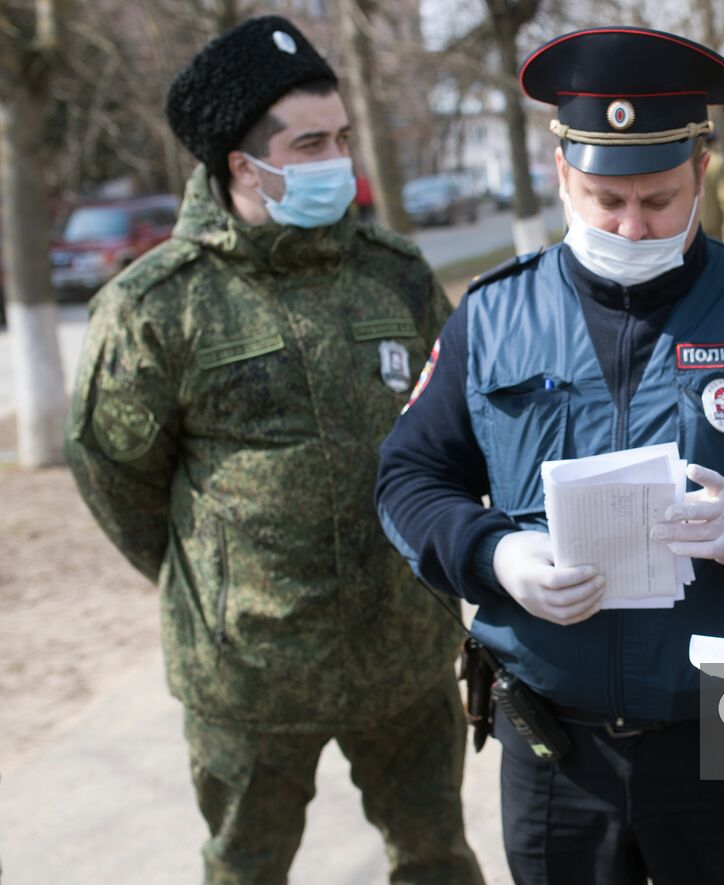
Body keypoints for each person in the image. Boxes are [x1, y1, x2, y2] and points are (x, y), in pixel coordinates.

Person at [375, 27, 724, 885]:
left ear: (701, 172)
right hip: (554, 740)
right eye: (602, 199)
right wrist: (495, 554)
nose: (629, 224)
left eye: (657, 200)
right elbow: (407, 478)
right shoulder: (493, 315)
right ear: (560, 177)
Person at [64, 17, 484, 884]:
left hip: (404, 655)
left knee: (437, 859)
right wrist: (217, 580)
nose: (338, 158)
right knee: (245, 869)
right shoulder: (155, 306)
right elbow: (116, 476)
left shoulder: (394, 271)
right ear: (242, 165)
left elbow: (452, 429)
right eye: (312, 142)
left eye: (341, 137)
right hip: (250, 675)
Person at [700, 131, 724, 244]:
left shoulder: (687, 162)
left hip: (689, 225)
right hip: (713, 224)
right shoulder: (719, 162)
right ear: (714, 142)